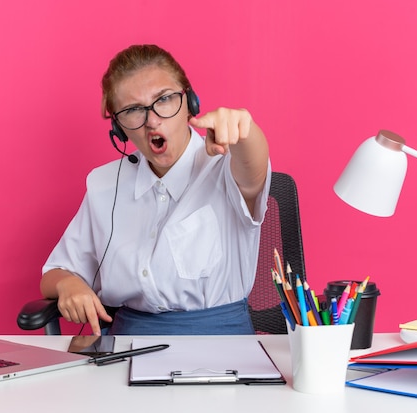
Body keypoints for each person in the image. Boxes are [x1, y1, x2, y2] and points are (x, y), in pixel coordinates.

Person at [40, 44, 270, 336]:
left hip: (220, 348)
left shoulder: (225, 166)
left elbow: (254, 166)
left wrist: (243, 130)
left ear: (191, 103)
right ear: (119, 127)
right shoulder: (104, 185)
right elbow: (55, 271)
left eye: (163, 99)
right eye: (133, 110)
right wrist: (67, 284)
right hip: (127, 348)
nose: (152, 120)